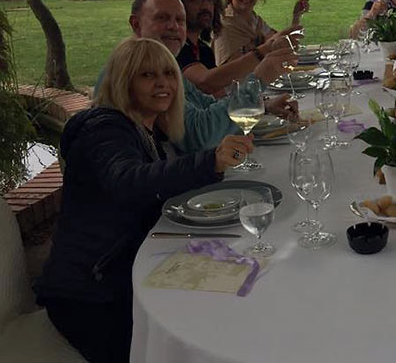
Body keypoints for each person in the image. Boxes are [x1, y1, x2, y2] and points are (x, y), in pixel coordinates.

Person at [36, 37, 253, 363]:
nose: (163, 83)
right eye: (147, 75)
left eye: (168, 74)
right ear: (125, 81)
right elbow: (127, 181)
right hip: (91, 292)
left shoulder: (148, 127)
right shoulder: (104, 128)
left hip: (130, 267)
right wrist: (210, 161)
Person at [123, 0, 297, 152]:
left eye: (180, 20)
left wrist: (263, 107)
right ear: (136, 24)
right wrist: (258, 80)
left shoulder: (164, 62)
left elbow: (207, 104)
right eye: (162, 18)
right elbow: (199, 136)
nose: (173, 26)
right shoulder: (138, 69)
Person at [164, 0, 290, 97]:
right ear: (178, 4)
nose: (206, 6)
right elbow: (206, 83)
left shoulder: (203, 51)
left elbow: (219, 96)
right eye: (197, 0)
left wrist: (267, 105)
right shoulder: (175, 47)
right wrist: (264, 51)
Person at [213, 0, 308, 66]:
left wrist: (296, 16)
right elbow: (228, 70)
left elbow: (281, 43)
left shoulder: (256, 20)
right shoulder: (224, 25)